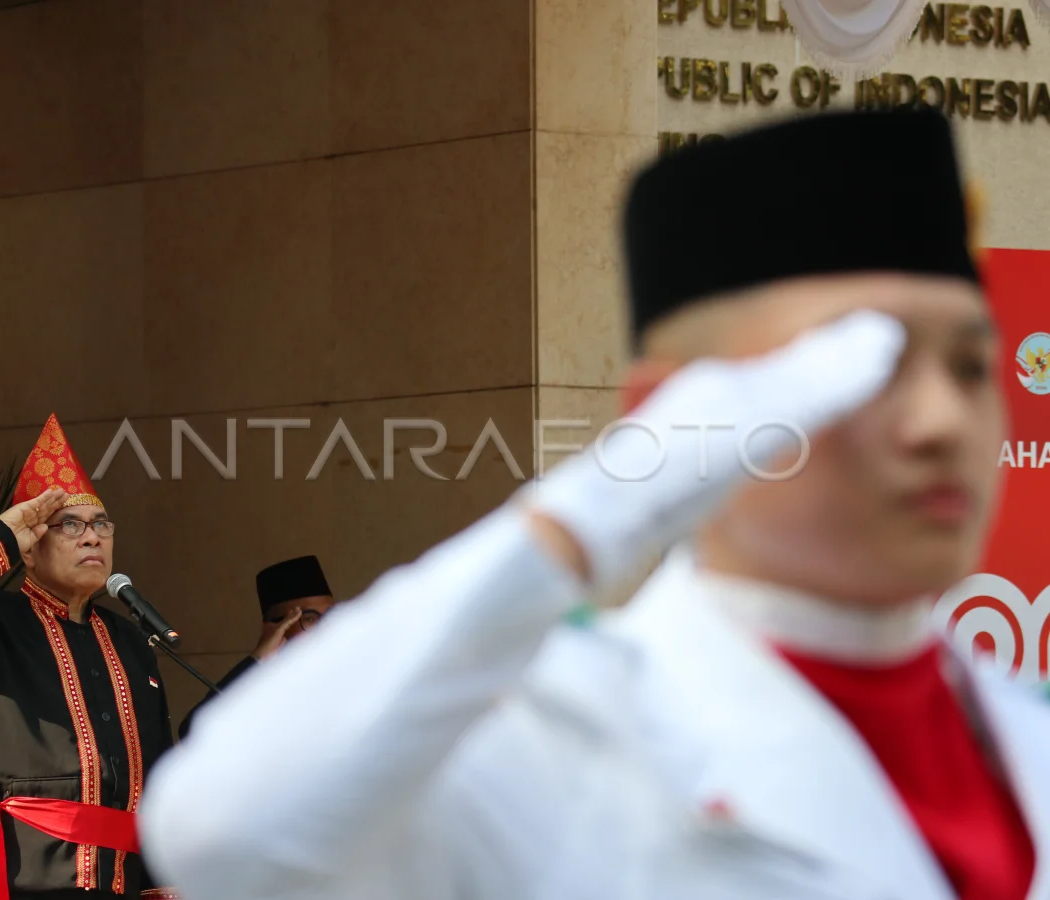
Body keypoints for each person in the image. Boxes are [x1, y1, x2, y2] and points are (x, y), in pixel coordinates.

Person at [136, 110, 1045, 900]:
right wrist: (601, 503)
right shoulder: (556, 738)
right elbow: (217, 828)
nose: (939, 422)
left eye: (971, 367)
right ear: (678, 412)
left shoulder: (1025, 734)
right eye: (859, 371)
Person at [0, 414, 178, 899]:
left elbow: (159, 775)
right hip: (29, 880)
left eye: (101, 525)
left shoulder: (130, 640)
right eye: (70, 525)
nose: (92, 537)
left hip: (122, 882)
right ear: (29, 550)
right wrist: (6, 530)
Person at [177, 555, 334, 738]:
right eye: (311, 619)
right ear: (274, 629)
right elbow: (194, 734)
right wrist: (257, 659)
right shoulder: (259, 694)